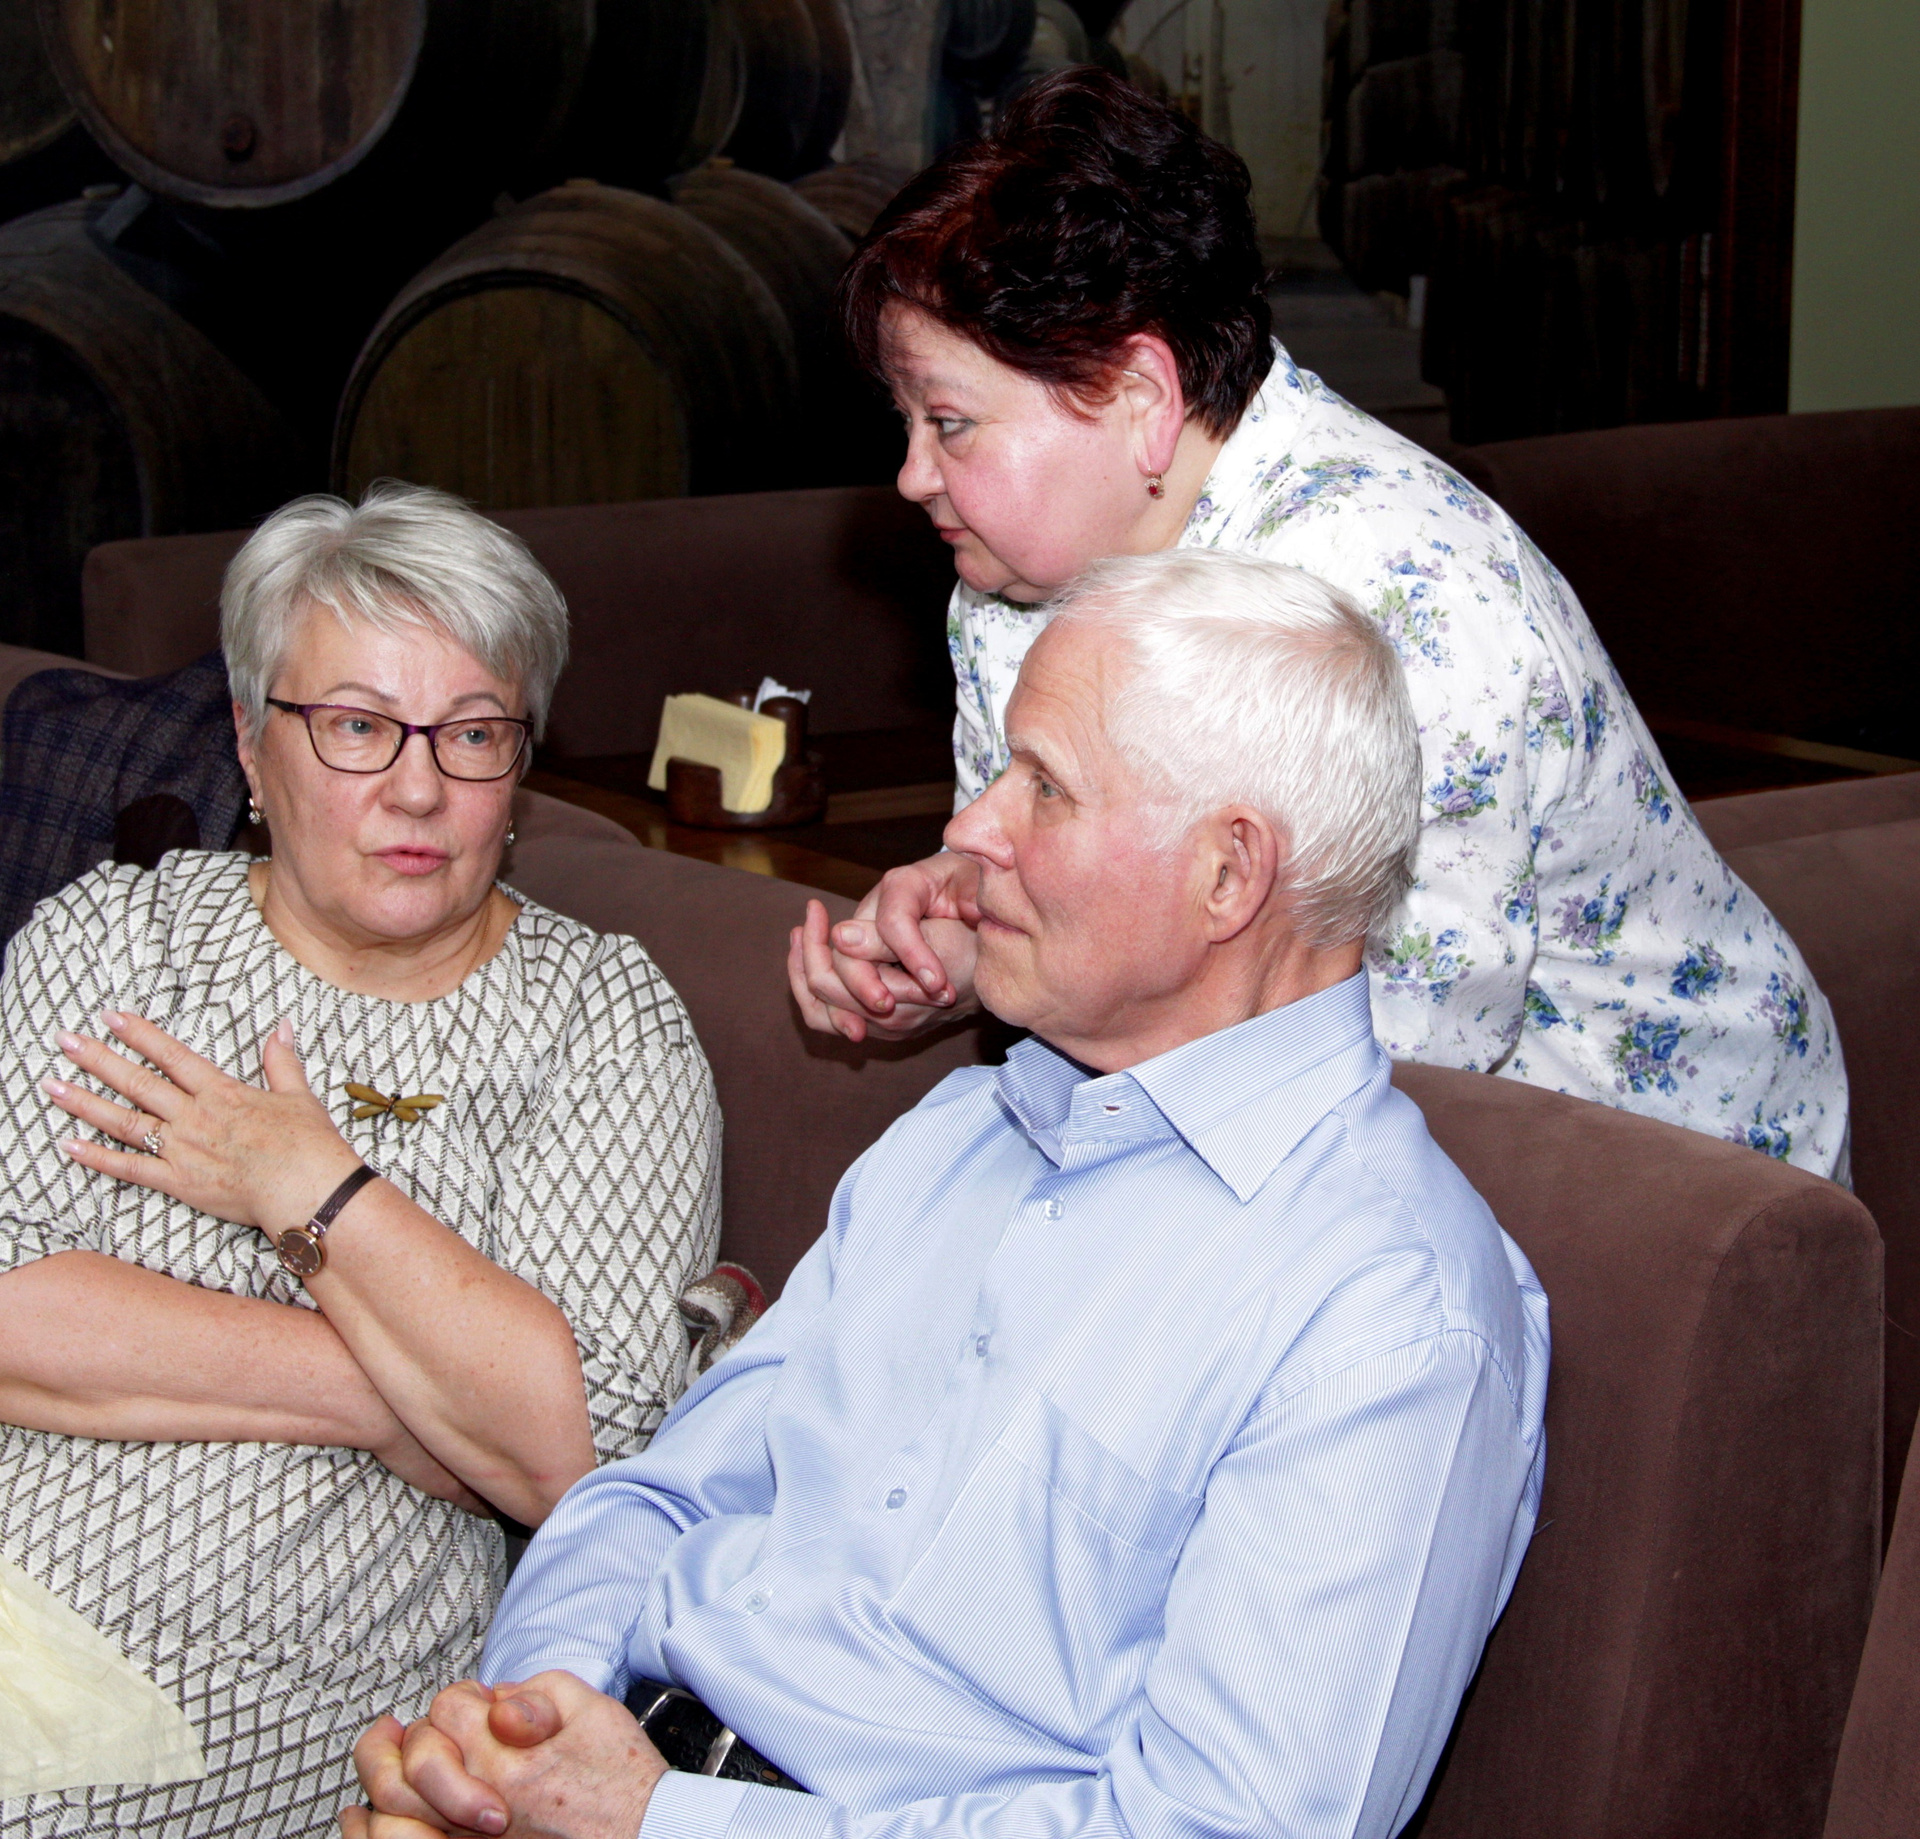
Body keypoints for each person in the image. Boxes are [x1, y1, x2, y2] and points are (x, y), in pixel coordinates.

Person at [346, 549, 1550, 1839]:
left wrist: (650, 1823)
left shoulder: (1388, 1312)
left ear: (1227, 875)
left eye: (1044, 786)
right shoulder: (965, 1131)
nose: (971, 831)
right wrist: (510, 1752)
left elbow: (1221, 1828)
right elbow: (657, 1500)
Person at [790, 66, 1846, 1179]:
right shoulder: (1012, 575)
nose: (912, 475)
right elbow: (1059, 893)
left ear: (1139, 396)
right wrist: (964, 939)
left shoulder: (1407, 596)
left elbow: (1413, 1045)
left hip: (1658, 1166)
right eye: (906, 421)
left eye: (950, 421)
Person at [0, 484, 722, 1839]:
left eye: (473, 733)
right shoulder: (121, 940)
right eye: (354, 725)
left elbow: (590, 1451)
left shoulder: (597, 1019)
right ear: (249, 742)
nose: (418, 787)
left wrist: (308, 1186)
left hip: (275, 1661)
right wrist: (402, 1394)